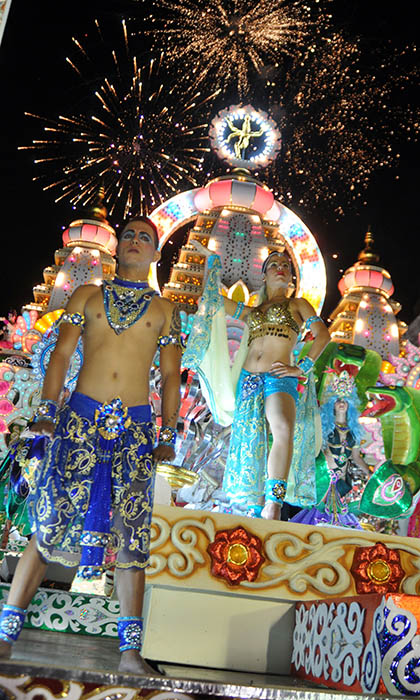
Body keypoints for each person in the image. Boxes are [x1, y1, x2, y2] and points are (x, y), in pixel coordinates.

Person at [0, 216, 182, 675]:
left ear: (157, 255)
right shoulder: (87, 296)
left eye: (146, 237)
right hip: (79, 420)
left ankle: (129, 654)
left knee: (132, 540)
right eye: (129, 236)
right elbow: (61, 355)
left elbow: (172, 377)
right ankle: (4, 639)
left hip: (136, 430)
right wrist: (45, 410)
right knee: (49, 526)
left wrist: (167, 433)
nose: (136, 241)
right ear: (116, 249)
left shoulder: (164, 311)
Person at [183, 246, 330, 520]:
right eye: (273, 264)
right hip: (248, 379)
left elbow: (323, 335)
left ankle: (274, 503)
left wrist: (300, 367)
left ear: (291, 279)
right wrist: (211, 263)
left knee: (283, 427)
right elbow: (213, 298)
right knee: (251, 441)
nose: (280, 268)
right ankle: (254, 505)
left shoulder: (297, 305)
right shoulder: (253, 311)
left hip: (279, 376)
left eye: (285, 265)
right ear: (263, 276)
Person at [291, 372, 371, 528]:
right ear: (332, 404)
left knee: (340, 512)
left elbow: (356, 457)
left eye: (345, 401)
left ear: (350, 406)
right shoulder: (325, 427)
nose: (341, 403)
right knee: (320, 509)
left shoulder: (353, 432)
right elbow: (319, 450)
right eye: (338, 400)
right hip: (324, 476)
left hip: (343, 480)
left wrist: (369, 472)